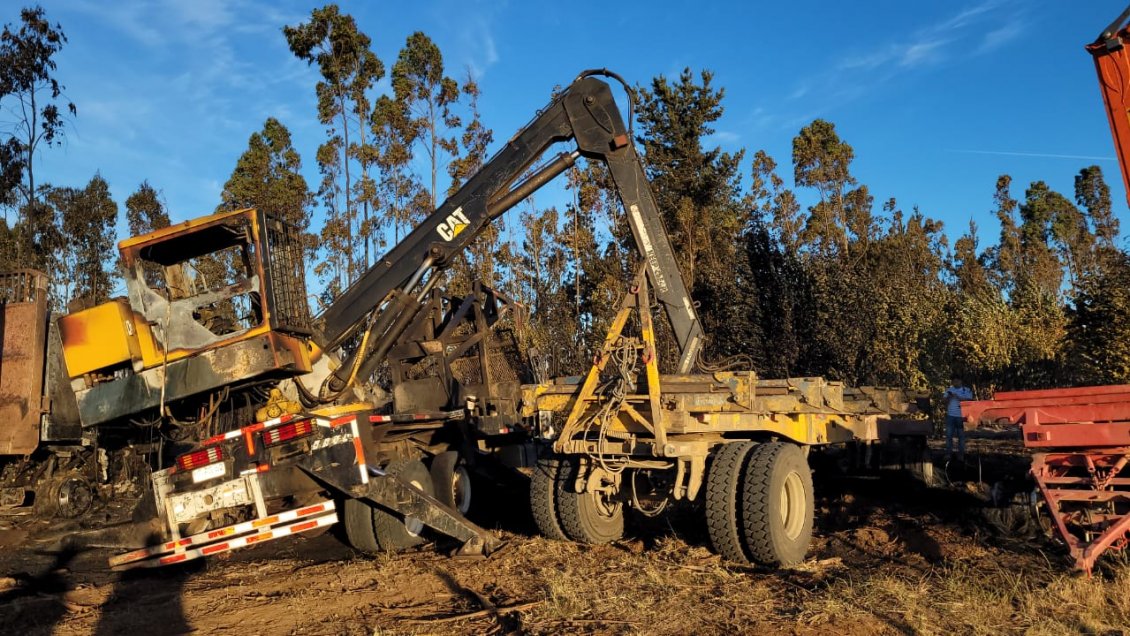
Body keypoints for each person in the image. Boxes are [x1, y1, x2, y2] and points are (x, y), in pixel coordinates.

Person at [943, 375, 973, 461]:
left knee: (961, 436)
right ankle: (948, 454)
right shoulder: (949, 390)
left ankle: (961, 455)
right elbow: (944, 401)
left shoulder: (966, 390)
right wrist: (949, 397)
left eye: (957, 381)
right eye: (953, 381)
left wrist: (959, 398)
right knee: (949, 436)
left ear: (961, 381)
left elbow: (971, 401)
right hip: (951, 416)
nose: (955, 383)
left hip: (962, 416)